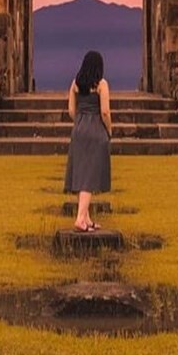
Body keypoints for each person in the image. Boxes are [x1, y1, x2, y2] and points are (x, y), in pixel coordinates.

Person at [63, 50, 112, 232]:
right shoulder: (101, 84)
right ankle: (79, 219)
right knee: (89, 176)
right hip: (95, 130)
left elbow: (70, 110)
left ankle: (87, 218)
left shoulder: (75, 84)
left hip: (79, 129)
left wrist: (80, 122)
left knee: (82, 173)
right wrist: (108, 129)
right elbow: (105, 112)